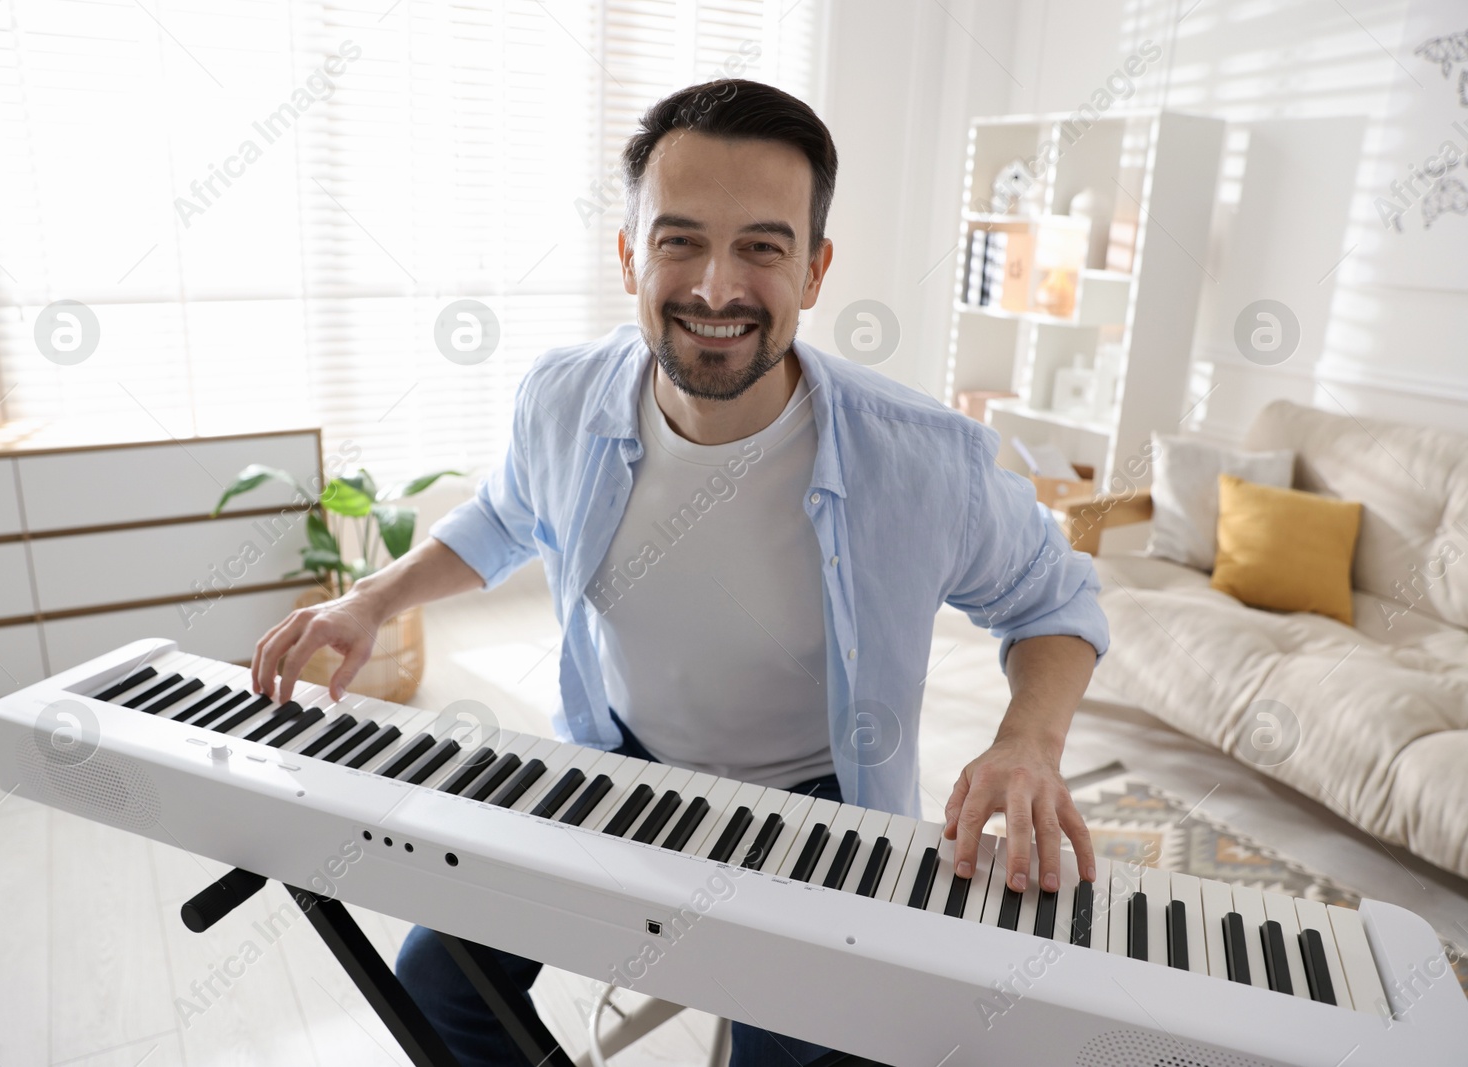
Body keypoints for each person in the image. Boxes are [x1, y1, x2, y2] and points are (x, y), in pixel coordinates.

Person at [252, 78, 1109, 1067]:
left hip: (815, 806)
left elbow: (1053, 599)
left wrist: (1028, 743)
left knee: (790, 1047)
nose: (714, 286)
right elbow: (504, 514)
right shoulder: (562, 397)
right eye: (680, 240)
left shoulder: (921, 458)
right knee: (441, 988)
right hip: (616, 763)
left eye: (761, 245)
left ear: (815, 270)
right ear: (629, 254)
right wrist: (373, 598)